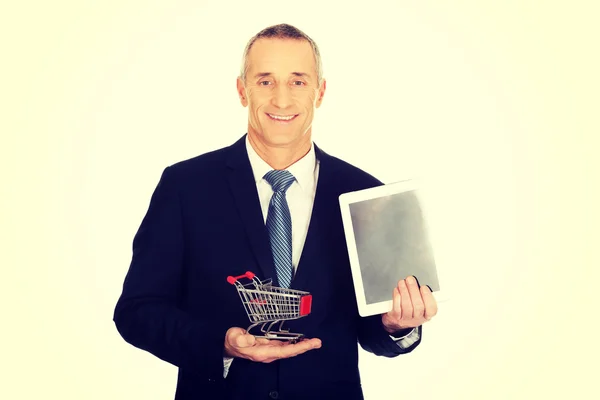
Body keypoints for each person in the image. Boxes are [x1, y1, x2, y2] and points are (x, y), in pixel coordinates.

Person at [113, 23, 438, 400]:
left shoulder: (366, 195)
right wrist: (222, 343)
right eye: (265, 81)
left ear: (320, 92)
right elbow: (137, 312)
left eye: (298, 82)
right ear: (242, 90)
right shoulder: (186, 186)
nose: (282, 100)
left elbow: (372, 333)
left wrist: (396, 324)